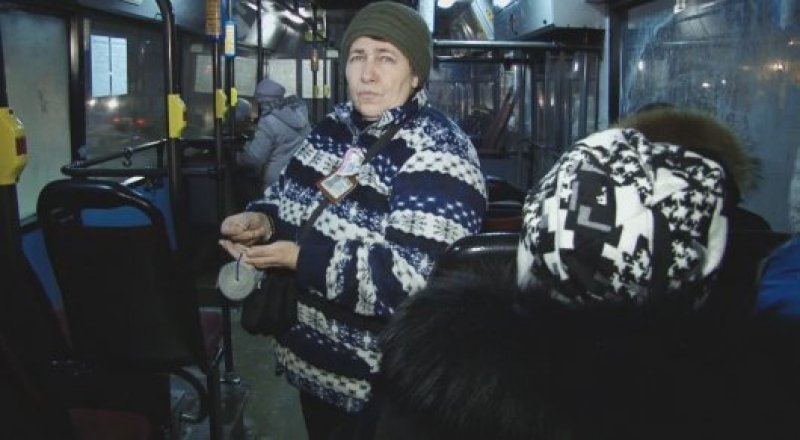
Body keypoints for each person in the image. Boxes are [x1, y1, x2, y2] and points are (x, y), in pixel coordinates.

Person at [218, 2, 487, 438]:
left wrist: (299, 259)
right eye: (358, 56)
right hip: (315, 369)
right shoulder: (334, 128)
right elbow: (286, 196)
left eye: (386, 58)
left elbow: (414, 282)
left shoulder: (439, 151)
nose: (368, 73)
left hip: (380, 390)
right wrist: (262, 221)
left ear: (415, 75)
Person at [237, 78, 311, 192]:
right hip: (302, 178)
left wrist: (238, 156)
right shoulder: (300, 114)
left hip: (277, 183)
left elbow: (254, 158)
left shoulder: (268, 121)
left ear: (263, 102)